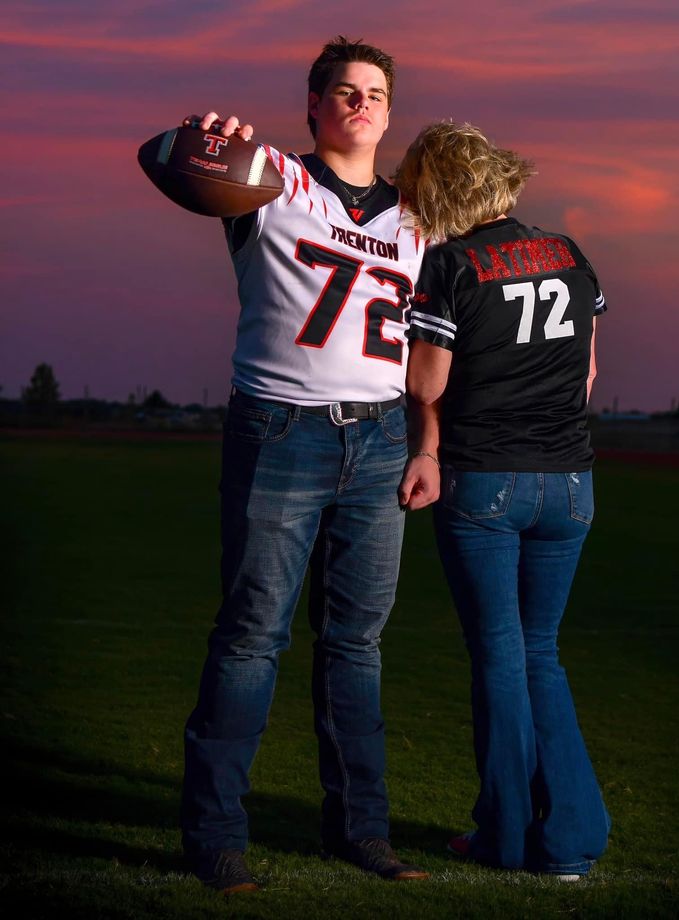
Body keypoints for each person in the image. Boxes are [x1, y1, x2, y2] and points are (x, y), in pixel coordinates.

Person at [177, 37, 429, 893]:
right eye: (344, 91)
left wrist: (428, 444)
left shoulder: (417, 218)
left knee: (357, 646)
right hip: (282, 428)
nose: (361, 104)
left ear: (391, 112)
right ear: (314, 105)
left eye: (375, 93)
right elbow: (185, 156)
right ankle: (216, 835)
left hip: (382, 437)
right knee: (252, 638)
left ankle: (360, 831)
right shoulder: (268, 180)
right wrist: (207, 137)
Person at [396, 122, 610, 879]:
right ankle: (571, 836)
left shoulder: (451, 263)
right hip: (572, 484)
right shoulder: (570, 255)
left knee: (499, 655)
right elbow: (585, 375)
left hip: (486, 478)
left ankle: (509, 835)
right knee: (541, 654)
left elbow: (426, 385)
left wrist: (424, 435)